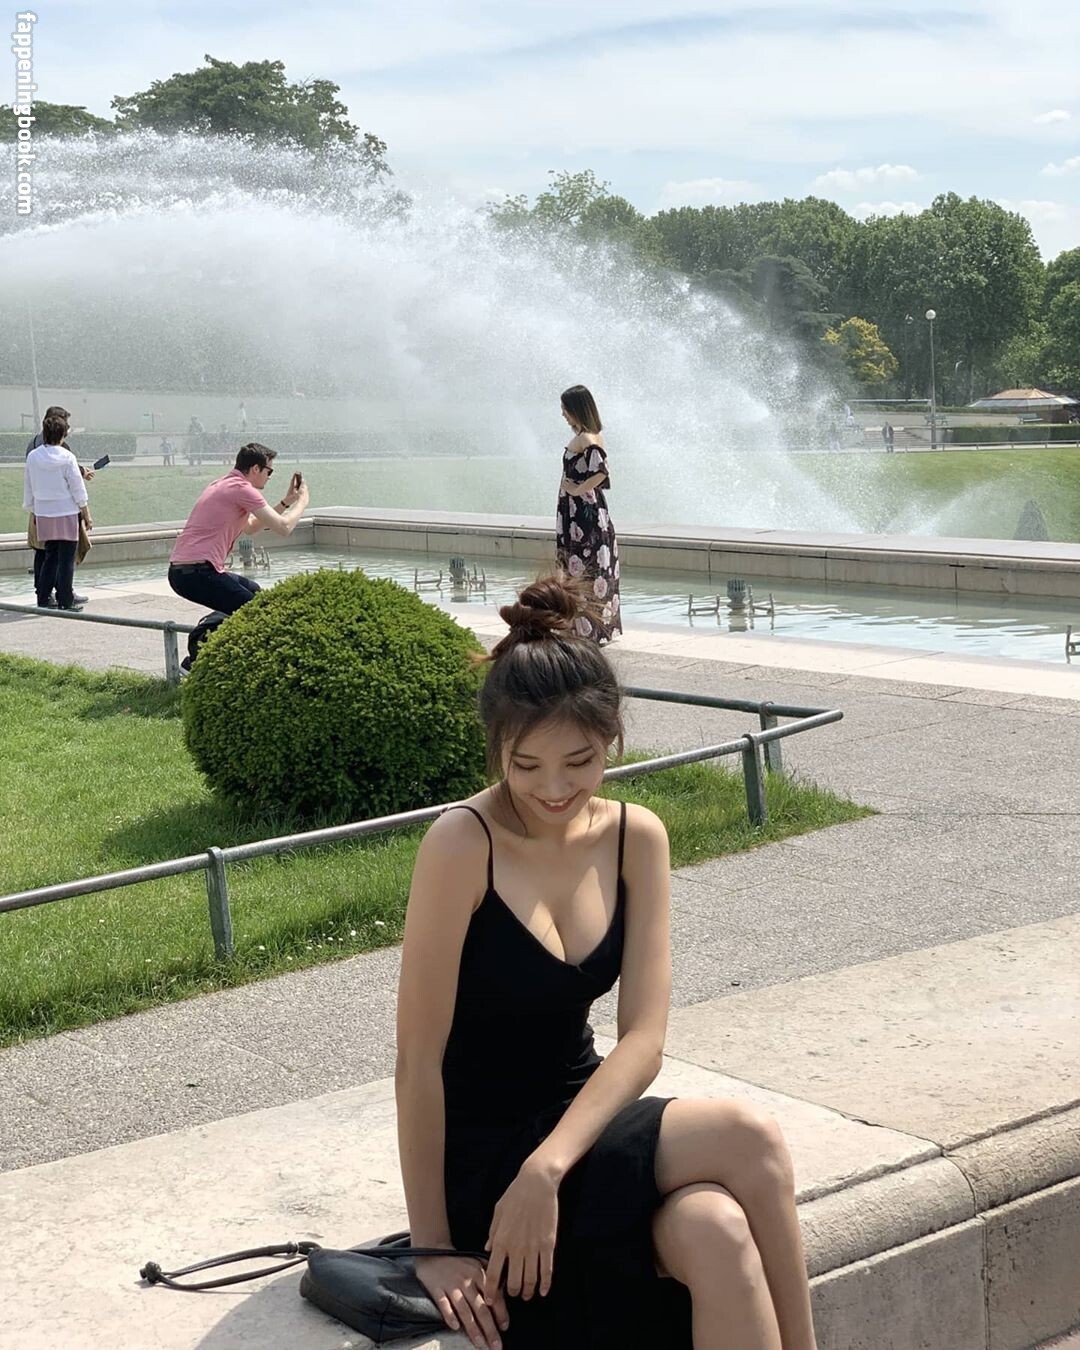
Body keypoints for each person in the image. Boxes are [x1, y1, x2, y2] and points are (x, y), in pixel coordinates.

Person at [395, 576, 818, 1350]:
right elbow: (418, 1062)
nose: (553, 789)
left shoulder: (636, 837)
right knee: (748, 1137)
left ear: (612, 740)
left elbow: (643, 1040)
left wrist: (551, 1165)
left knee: (716, 1229)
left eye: (579, 761)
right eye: (525, 766)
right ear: (496, 748)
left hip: (577, 1131)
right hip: (487, 1161)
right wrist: (432, 1247)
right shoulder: (461, 845)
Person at [167, 442, 308, 617]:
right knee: (258, 613)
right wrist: (303, 502)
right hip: (197, 573)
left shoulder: (223, 484)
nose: (269, 477)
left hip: (185, 573)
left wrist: (286, 502)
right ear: (256, 469)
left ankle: (219, 630)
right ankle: (210, 633)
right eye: (269, 471)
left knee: (256, 593)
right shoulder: (242, 489)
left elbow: (251, 527)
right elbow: (284, 528)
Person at [555, 385, 622, 643]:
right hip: (580, 514)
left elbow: (601, 472)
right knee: (585, 568)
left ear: (576, 409)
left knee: (583, 568)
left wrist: (576, 489)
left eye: (565, 409)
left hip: (583, 517)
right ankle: (588, 628)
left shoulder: (587, 438)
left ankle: (586, 630)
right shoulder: (588, 435)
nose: (563, 414)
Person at [24, 413, 93, 612]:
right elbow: (77, 488)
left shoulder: (33, 456)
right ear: (62, 435)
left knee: (51, 556)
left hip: (44, 512)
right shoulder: (67, 457)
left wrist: (33, 510)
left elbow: (29, 485)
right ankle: (65, 600)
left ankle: (43, 598)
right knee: (66, 559)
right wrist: (86, 514)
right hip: (66, 512)